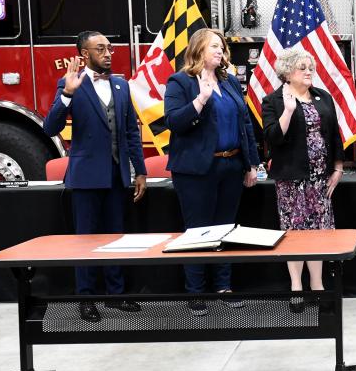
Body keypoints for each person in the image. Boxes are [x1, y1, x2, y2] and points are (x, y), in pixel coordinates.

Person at [43, 31, 147, 322]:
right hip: (87, 176)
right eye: (100, 49)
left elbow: (130, 132)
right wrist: (67, 95)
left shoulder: (120, 84)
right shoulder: (70, 84)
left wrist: (139, 170)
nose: (108, 53)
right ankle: (86, 297)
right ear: (84, 55)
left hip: (116, 174)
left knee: (115, 235)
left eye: (110, 48)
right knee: (85, 239)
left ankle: (116, 295)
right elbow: (50, 128)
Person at [163, 27, 260, 311]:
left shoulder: (228, 82)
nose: (221, 51)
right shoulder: (180, 82)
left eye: (222, 47)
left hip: (230, 164)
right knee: (198, 230)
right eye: (214, 46)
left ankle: (223, 287)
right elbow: (174, 122)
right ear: (198, 50)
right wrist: (200, 99)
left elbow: (245, 125)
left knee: (225, 228)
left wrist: (251, 163)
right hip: (195, 171)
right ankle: (196, 293)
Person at [262, 48, 344, 293]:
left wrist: (338, 168)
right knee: (295, 233)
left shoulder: (322, 96)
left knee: (318, 231)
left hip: (320, 180)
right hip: (291, 180)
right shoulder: (273, 101)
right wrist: (288, 111)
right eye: (303, 67)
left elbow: (335, 136)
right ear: (287, 72)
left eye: (312, 67)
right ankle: (296, 286)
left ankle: (317, 285)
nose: (309, 72)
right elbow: (272, 138)